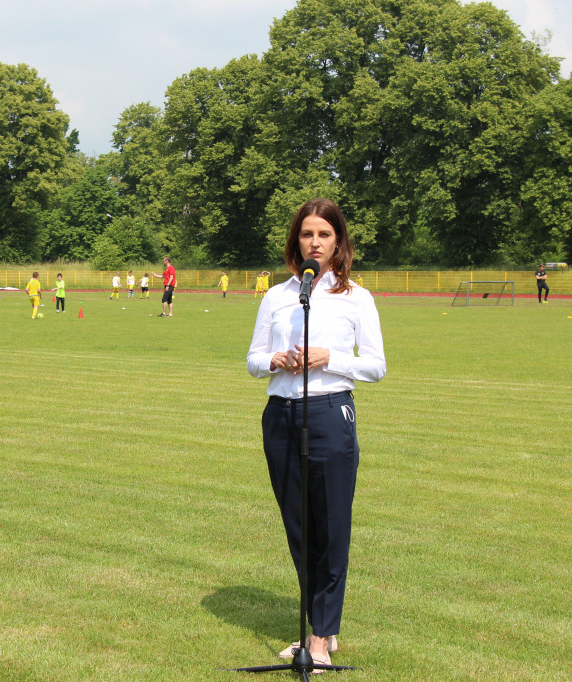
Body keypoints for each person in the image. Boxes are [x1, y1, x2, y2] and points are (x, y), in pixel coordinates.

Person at [246, 198, 386, 670]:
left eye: (324, 235)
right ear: (296, 241)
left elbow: (376, 366)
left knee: (331, 527)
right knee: (300, 528)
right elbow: (252, 360)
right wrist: (275, 360)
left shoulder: (357, 298)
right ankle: (317, 624)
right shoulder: (278, 295)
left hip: (330, 414)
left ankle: (322, 636)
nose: (315, 243)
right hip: (281, 417)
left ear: (339, 242)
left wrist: (331, 358)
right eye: (307, 234)